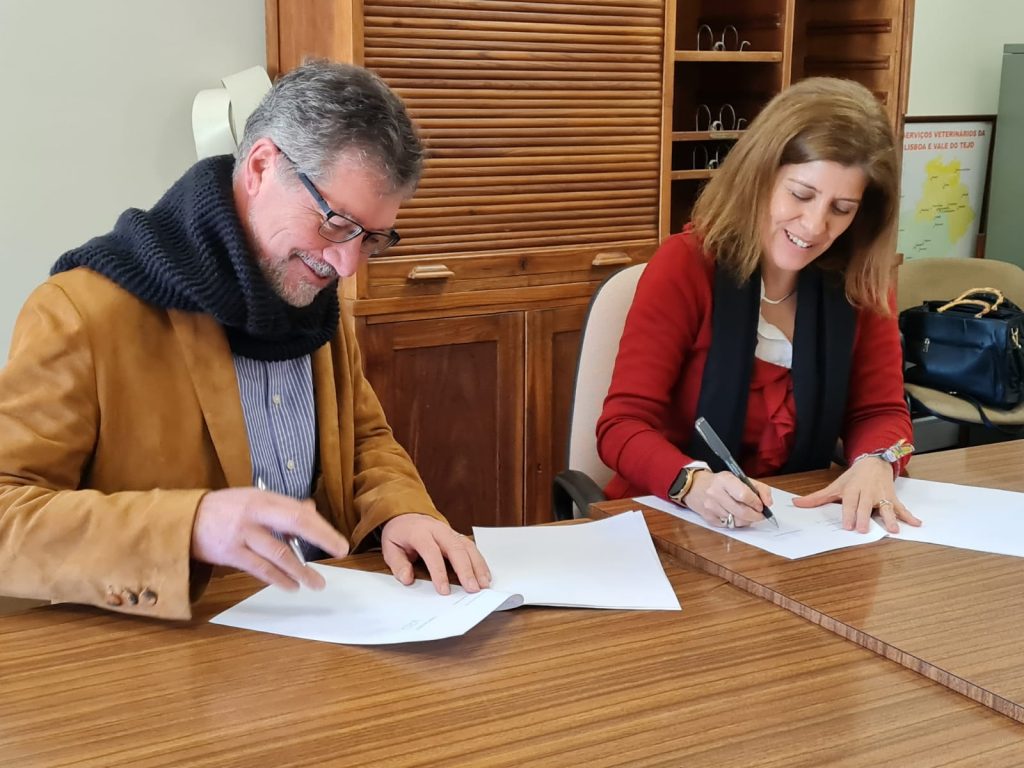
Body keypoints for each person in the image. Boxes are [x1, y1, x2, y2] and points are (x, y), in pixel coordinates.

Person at [0, 60, 490, 620]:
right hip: (168, 650)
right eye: (336, 223)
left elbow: (361, 440)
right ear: (260, 166)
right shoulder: (80, 311)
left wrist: (402, 512)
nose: (347, 264)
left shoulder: (314, 301)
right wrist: (187, 528)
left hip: (324, 630)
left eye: (372, 239)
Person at [596, 77, 922, 535]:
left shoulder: (861, 281)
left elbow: (882, 412)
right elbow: (621, 426)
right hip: (666, 520)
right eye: (801, 195)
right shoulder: (685, 266)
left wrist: (877, 461)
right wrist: (692, 483)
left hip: (797, 526)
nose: (815, 226)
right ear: (760, 176)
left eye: (842, 208)